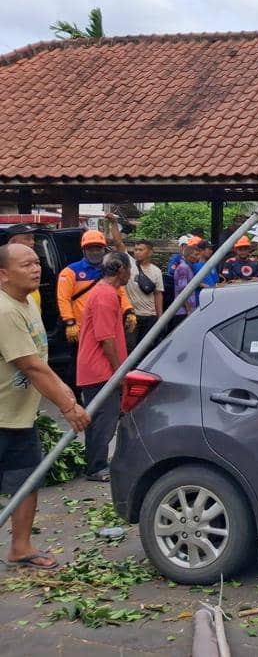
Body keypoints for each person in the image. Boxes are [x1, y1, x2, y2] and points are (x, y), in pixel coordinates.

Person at [0, 243, 90, 569]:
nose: (36, 268)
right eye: (26, 265)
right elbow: (31, 366)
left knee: (27, 480)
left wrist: (66, 392)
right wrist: (68, 406)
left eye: (36, 262)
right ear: (3, 274)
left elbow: (40, 360)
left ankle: (20, 547)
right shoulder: (4, 311)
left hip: (19, 415)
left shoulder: (28, 303)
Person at [76, 253, 130, 482]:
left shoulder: (105, 292)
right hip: (100, 368)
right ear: (121, 270)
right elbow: (106, 338)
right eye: (129, 269)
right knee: (104, 420)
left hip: (96, 367)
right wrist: (119, 372)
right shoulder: (105, 295)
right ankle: (96, 467)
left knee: (99, 419)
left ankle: (95, 463)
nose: (130, 274)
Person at [56, 228, 135, 360]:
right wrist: (69, 322)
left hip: (106, 325)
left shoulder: (109, 270)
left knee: (107, 358)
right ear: (84, 250)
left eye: (98, 248)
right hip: (80, 328)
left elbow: (120, 291)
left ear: (104, 249)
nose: (95, 252)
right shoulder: (70, 271)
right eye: (90, 249)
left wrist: (128, 310)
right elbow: (63, 298)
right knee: (80, 361)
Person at [123, 240, 163, 345]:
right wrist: (115, 228)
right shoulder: (130, 265)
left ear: (150, 252)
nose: (137, 252)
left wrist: (160, 316)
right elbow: (119, 243)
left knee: (147, 346)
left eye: (141, 250)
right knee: (130, 346)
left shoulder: (156, 271)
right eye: (135, 249)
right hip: (132, 315)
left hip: (150, 315)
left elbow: (158, 294)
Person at [3, 225, 41, 309]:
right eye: (27, 239)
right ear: (13, 241)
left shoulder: (32, 256)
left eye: (33, 238)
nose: (32, 242)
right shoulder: (4, 261)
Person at [169, 243, 198, 330]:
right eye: (196, 255)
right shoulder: (183, 268)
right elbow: (183, 290)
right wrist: (188, 309)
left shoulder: (188, 267)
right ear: (189, 255)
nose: (198, 257)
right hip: (182, 311)